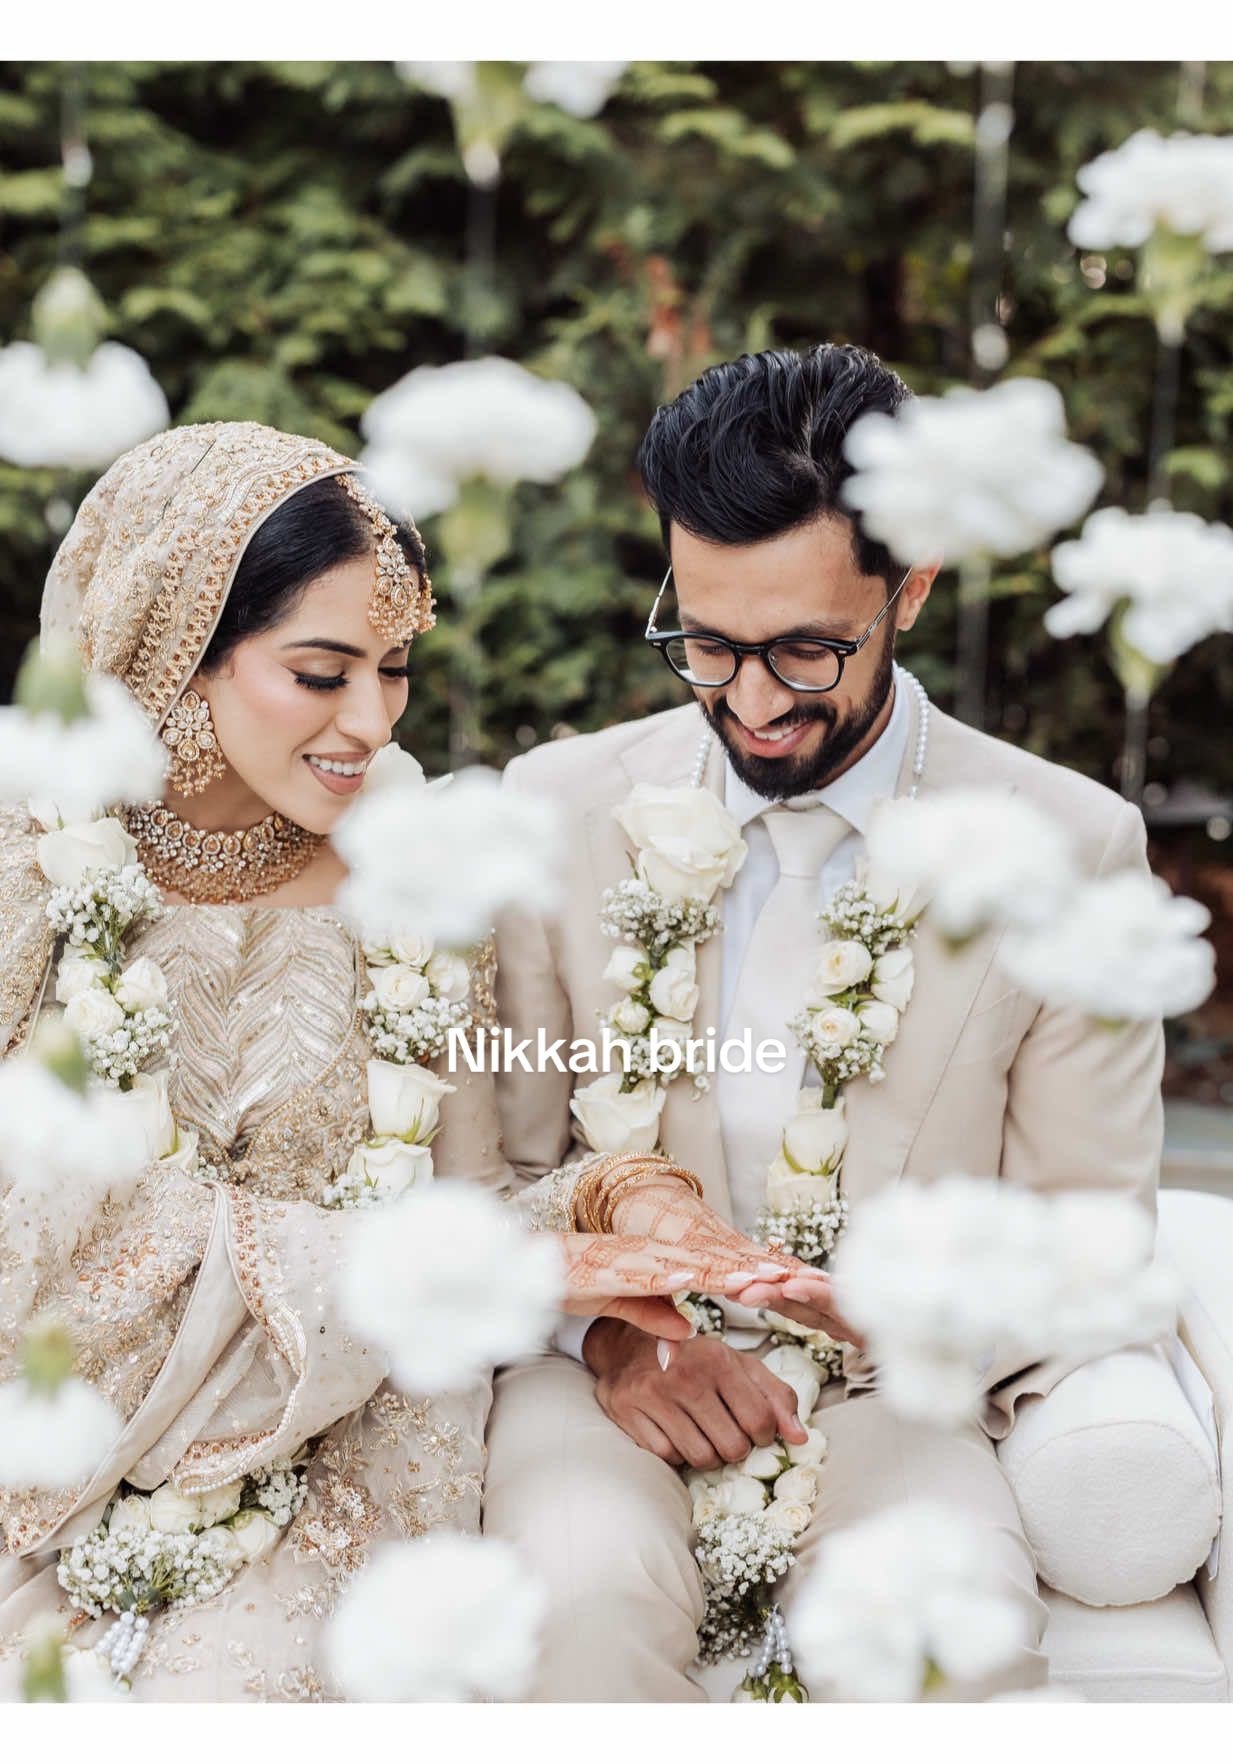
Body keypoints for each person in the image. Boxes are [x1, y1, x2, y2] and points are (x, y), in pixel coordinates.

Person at [0, 421, 795, 1701]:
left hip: (342, 1453)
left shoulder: (415, 883)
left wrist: (621, 1204)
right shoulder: (25, 870)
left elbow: (455, 1198)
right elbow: (38, 1239)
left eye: (395, 668)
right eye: (320, 672)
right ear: (171, 653)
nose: (370, 722)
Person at [485, 344, 1163, 1700]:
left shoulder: (1069, 847)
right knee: (570, 1609)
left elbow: (1090, 1222)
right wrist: (614, 1334)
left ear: (910, 587)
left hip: (887, 1392)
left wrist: (903, 1313)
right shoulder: (549, 811)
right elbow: (488, 1171)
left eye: (806, 647)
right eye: (709, 643)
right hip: (601, 1372)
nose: (749, 700)